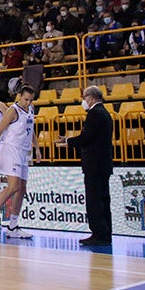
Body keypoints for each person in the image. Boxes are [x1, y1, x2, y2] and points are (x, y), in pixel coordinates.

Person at [0, 85, 40, 239]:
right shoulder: (12, 110)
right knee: (13, 186)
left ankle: (13, 226)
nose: (28, 102)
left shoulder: (30, 109)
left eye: (30, 100)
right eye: (26, 99)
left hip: (24, 151)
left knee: (21, 189)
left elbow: (31, 129)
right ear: (19, 96)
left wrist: (37, 148)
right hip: (11, 150)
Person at [58, 85, 114, 246]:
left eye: (84, 97)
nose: (83, 101)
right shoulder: (105, 113)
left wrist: (68, 141)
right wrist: (69, 140)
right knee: (103, 200)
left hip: (95, 165)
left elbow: (86, 138)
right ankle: (104, 232)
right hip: (103, 164)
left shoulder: (95, 114)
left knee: (95, 200)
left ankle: (98, 233)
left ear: (91, 97)